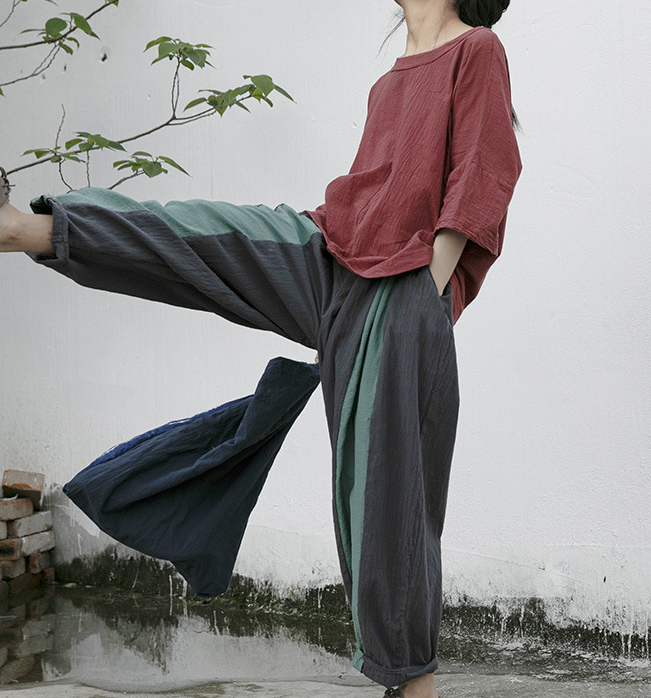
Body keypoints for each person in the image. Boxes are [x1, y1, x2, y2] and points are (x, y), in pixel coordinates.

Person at [0, 0, 522, 696]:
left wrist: (420, 292)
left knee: (380, 504)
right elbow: (376, 195)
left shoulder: (476, 49)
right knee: (207, 232)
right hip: (333, 252)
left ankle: (413, 687)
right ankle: (25, 229)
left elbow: (483, 173)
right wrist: (345, 289)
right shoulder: (392, 74)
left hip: (399, 291)